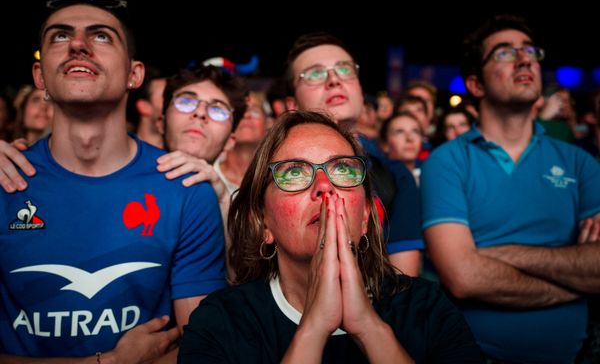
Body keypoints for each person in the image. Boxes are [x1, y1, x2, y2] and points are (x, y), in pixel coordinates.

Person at [0, 0, 226, 362]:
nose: (78, 45)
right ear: (40, 76)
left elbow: (204, 350)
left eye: (101, 37)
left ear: (134, 75)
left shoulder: (184, 189)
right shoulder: (4, 180)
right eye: (59, 37)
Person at [178, 110, 482, 363]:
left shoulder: (426, 309)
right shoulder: (220, 323)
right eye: (294, 172)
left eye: (342, 170)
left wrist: (368, 328)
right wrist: (313, 329)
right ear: (263, 222)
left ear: (364, 217)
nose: (324, 186)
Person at [421, 14, 600, 363]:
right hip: (476, 357)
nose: (524, 59)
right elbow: (463, 278)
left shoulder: (580, 163)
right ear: (475, 85)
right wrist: (577, 282)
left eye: (530, 51)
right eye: (504, 53)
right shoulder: (448, 161)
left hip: (577, 356)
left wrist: (492, 253)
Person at [283, 32, 423, 276]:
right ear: (292, 104)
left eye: (345, 69)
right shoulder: (274, 174)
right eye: (315, 74)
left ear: (359, 89)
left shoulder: (395, 177)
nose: (334, 80)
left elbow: (404, 287)